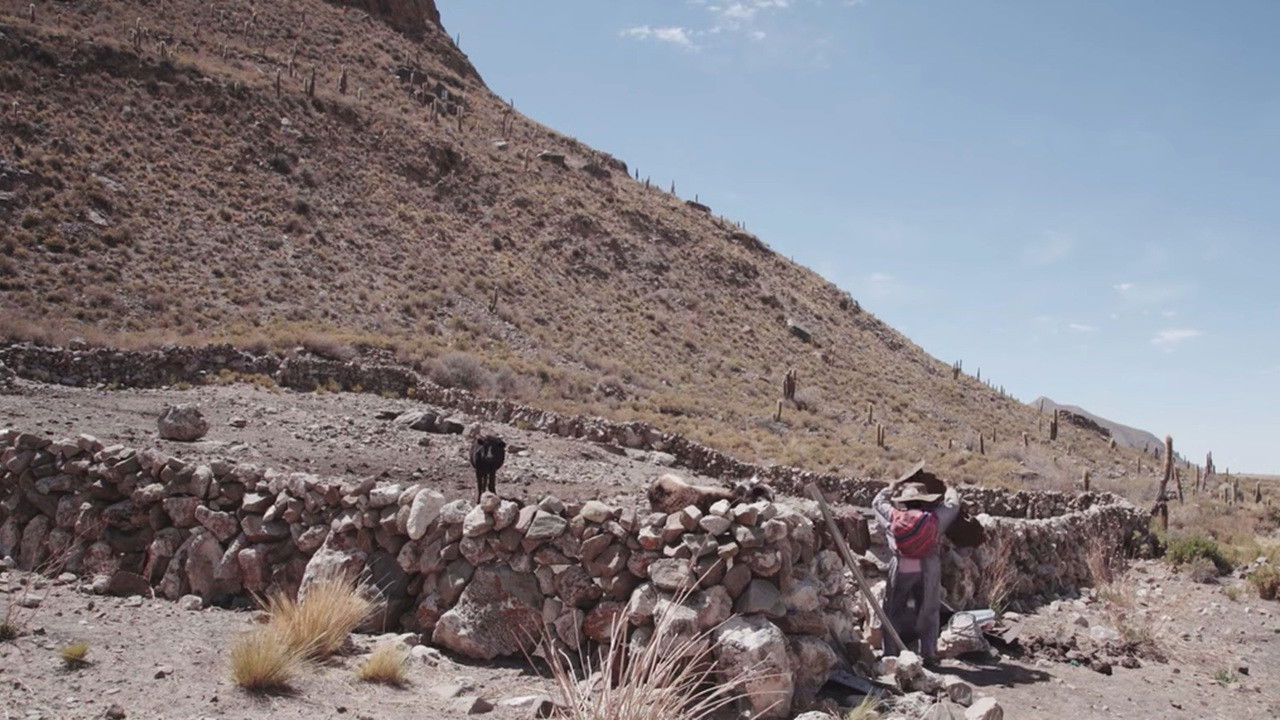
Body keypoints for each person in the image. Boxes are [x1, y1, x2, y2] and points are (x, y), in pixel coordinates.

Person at [873, 461, 960, 665]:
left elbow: (877, 502)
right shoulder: (934, 518)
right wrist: (949, 487)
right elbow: (953, 505)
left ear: (905, 501)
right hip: (928, 565)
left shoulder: (896, 515)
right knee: (928, 608)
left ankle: (890, 653)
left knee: (893, 607)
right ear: (924, 500)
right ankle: (928, 653)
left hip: (903, 564)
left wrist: (891, 487)